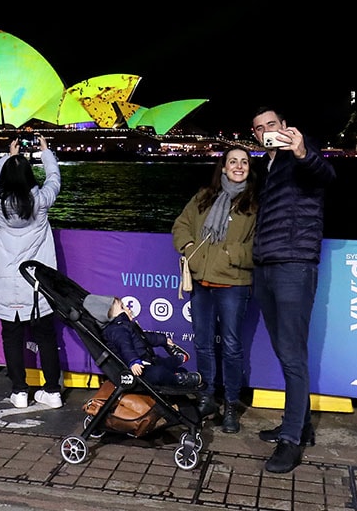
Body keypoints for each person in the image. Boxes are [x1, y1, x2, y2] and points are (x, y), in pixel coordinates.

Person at [250, 106, 336, 474]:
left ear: (285, 127)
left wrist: (301, 151)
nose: (267, 130)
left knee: (292, 355)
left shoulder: (300, 156)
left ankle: (291, 442)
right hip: (267, 267)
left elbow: (325, 174)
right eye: (259, 128)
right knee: (285, 352)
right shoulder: (265, 169)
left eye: (272, 124)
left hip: (294, 267)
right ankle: (296, 423)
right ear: (254, 136)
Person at [170, 147, 258, 434]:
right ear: (222, 167)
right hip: (201, 283)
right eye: (233, 161)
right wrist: (188, 246)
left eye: (244, 162)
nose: (238, 166)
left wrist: (230, 253)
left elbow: (258, 247)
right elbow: (181, 225)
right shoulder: (204, 197)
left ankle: (231, 403)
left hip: (233, 284)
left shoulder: (254, 203)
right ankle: (207, 396)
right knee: (203, 343)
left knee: (231, 347)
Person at [0, 135, 64, 409]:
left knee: (12, 336)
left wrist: (8, 156)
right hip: (37, 283)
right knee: (45, 336)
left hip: (6, 283)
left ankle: (19, 391)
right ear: (30, 177)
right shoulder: (40, 202)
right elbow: (54, 179)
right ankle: (52, 390)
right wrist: (45, 153)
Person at [84, 293, 202, 389]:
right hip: (137, 370)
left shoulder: (126, 326)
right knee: (158, 373)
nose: (128, 309)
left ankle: (177, 361)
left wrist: (163, 340)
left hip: (146, 360)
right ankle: (178, 379)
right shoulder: (117, 331)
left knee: (160, 363)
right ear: (110, 316)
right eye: (122, 307)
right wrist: (133, 361)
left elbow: (144, 337)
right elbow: (125, 347)